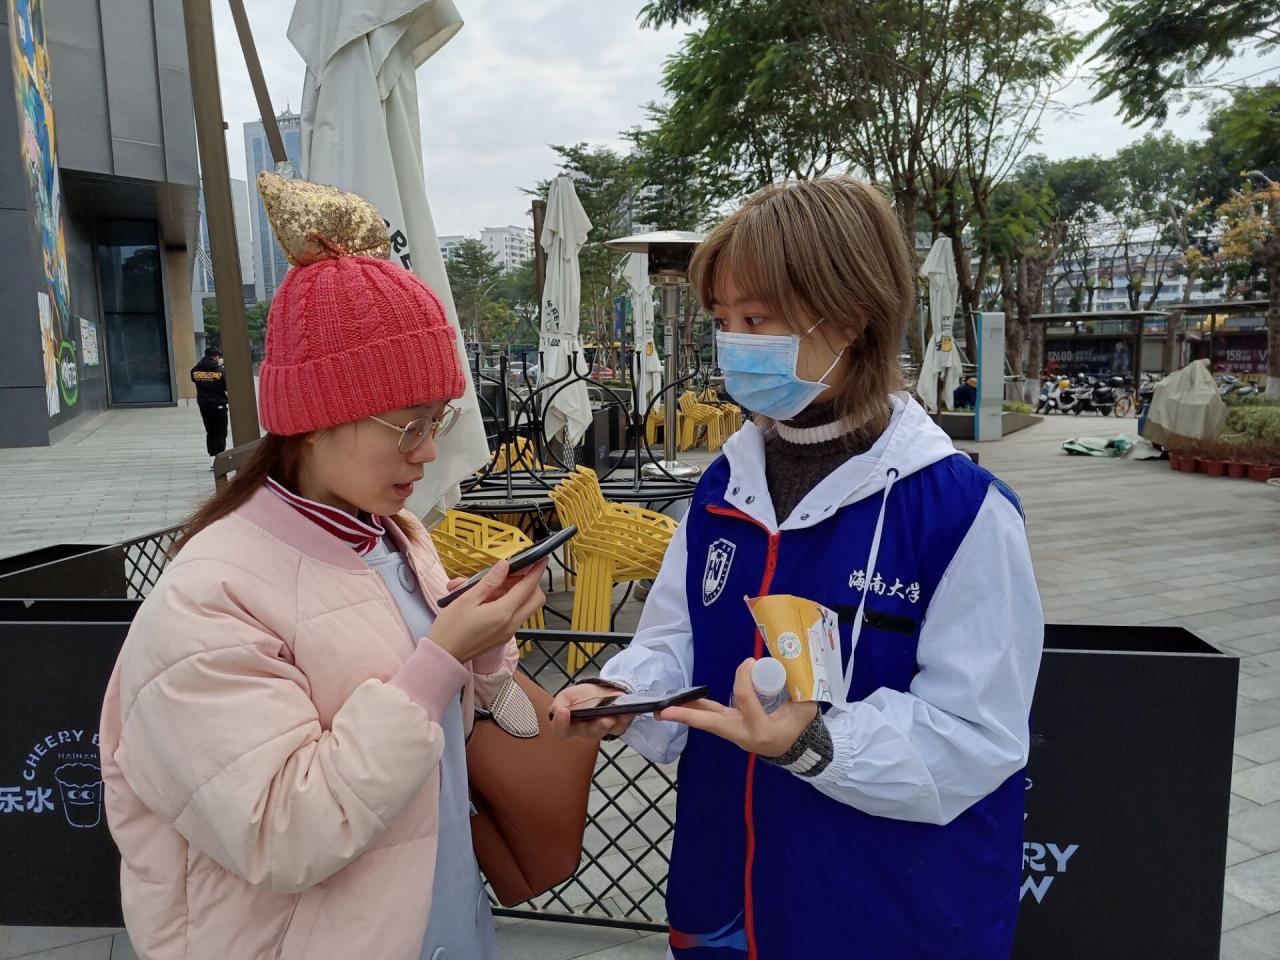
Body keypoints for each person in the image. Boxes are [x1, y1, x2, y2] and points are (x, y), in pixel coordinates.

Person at [552, 177, 1043, 959]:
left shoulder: (960, 511)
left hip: (885, 914)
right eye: (722, 321)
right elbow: (675, 637)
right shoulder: (724, 485)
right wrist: (626, 691)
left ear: (850, 316)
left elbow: (977, 734)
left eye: (756, 320)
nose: (733, 345)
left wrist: (811, 743)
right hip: (724, 893)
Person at [99, 174, 544, 960]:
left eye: (437, 419)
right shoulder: (207, 598)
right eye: (407, 426)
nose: (428, 452)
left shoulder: (394, 533)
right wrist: (438, 660)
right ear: (313, 418)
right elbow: (281, 830)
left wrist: (479, 648)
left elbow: (438, 734)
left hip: (444, 924)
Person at [190, 346, 228, 468]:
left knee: (210, 431)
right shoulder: (220, 371)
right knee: (220, 432)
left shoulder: (195, 370)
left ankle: (212, 458)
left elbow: (194, 379)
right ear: (216, 357)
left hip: (204, 405)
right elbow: (227, 386)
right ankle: (219, 458)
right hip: (219, 405)